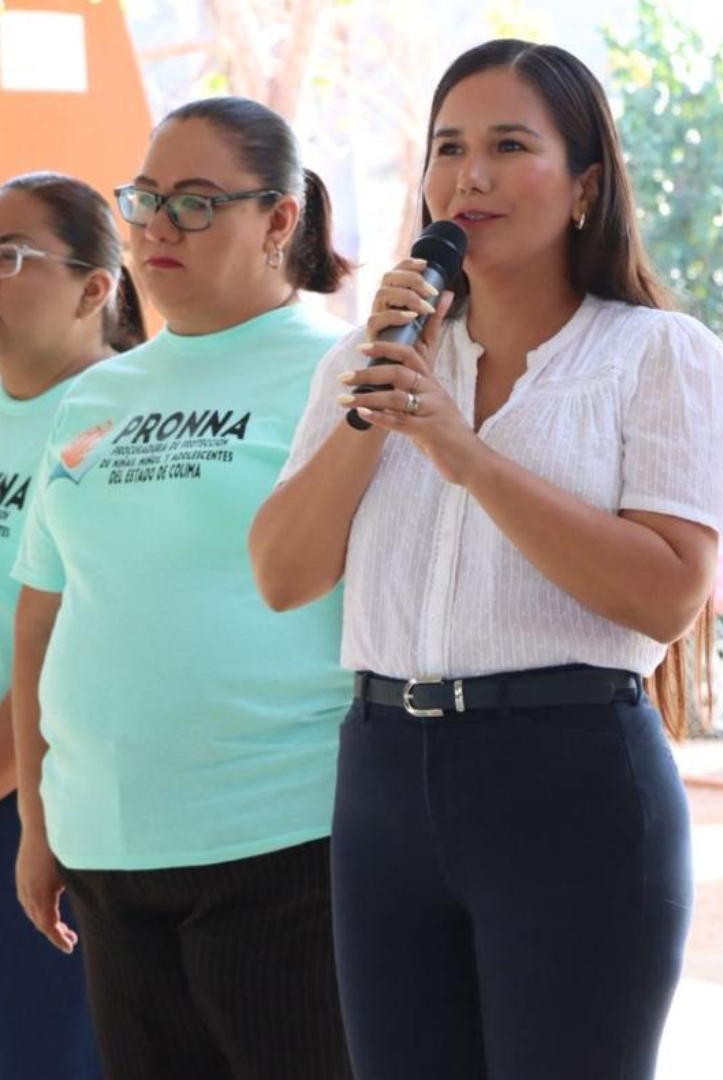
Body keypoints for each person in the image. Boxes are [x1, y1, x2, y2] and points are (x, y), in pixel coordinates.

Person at [250, 38, 723, 1080]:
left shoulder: (658, 354)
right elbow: (284, 575)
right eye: (448, 148)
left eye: (509, 145)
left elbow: (666, 595)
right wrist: (377, 408)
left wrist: (463, 453)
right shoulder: (366, 355)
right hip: (383, 773)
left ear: (585, 186)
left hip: (569, 779)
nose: (467, 176)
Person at [12, 97, 354, 1080]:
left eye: (196, 203)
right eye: (147, 198)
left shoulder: (338, 370)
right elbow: (45, 612)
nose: (157, 226)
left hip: (285, 843)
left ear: (280, 221)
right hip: (108, 851)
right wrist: (39, 826)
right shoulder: (99, 394)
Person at [0, 170, 142, 1080]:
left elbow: (92, 628)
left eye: (9, 257)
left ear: (98, 287)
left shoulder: (120, 424)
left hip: (51, 810)